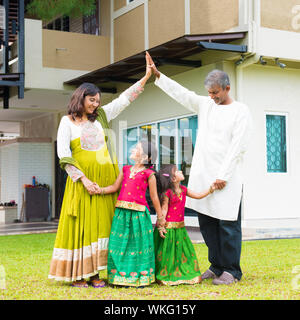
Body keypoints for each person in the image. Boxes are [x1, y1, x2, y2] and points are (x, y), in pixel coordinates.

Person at [147, 52, 252, 285]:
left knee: (227, 224)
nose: (212, 96)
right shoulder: (206, 105)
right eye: (209, 93)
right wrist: (159, 76)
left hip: (227, 178)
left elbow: (238, 146)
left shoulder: (240, 111)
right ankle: (216, 266)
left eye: (215, 92)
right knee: (207, 223)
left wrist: (223, 176)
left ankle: (232, 271)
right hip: (203, 176)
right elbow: (182, 94)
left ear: (227, 88)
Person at [48, 54, 153, 288]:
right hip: (82, 182)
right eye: (91, 100)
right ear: (80, 97)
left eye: (97, 100)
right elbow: (63, 154)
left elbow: (125, 99)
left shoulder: (102, 117)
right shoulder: (67, 122)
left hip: (106, 181)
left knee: (103, 226)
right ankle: (78, 275)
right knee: (83, 225)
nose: (95, 104)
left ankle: (96, 274)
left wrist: (145, 77)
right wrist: (83, 179)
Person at [97, 141, 165, 287]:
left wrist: (161, 219)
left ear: (147, 157)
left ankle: (141, 277)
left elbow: (154, 197)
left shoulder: (149, 174)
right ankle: (118, 276)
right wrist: (99, 190)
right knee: (118, 244)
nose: (133, 149)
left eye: (138, 148)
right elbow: (115, 187)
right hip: (121, 213)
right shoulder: (126, 169)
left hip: (139, 215)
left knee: (139, 246)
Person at [153, 164, 215, 286]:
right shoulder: (168, 193)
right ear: (173, 179)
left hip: (180, 229)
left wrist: (210, 189)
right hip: (169, 229)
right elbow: (164, 210)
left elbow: (198, 195)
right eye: (176, 171)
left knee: (183, 252)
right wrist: (161, 226)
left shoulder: (184, 190)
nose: (180, 170)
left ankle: (184, 273)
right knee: (168, 254)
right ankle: (168, 275)